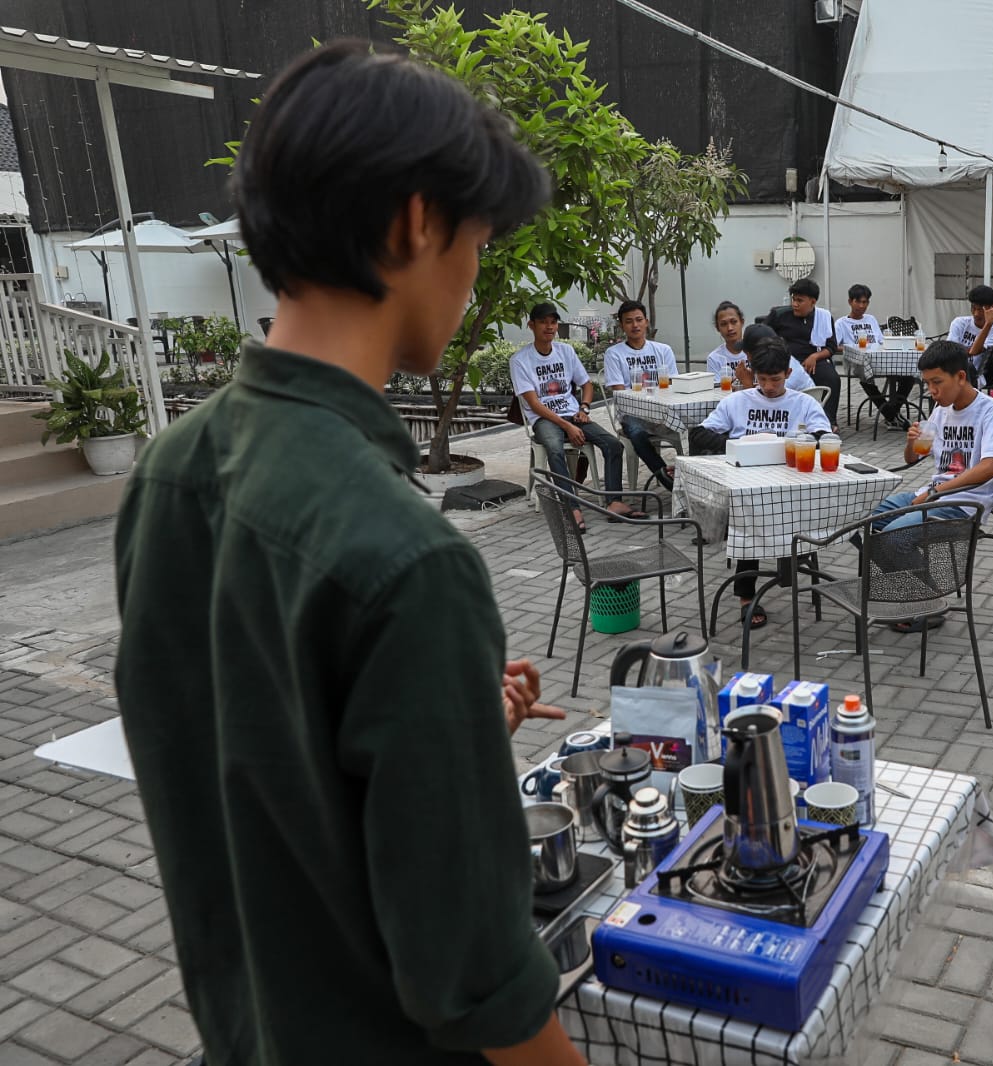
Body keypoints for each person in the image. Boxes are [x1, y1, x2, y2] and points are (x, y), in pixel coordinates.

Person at [113, 42, 588, 1066]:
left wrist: (447, 711)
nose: (474, 275)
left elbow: (252, 756)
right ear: (419, 220)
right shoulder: (411, 560)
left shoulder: (170, 471)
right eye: (479, 239)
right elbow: (474, 977)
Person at [689, 338, 831, 628]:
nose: (768, 386)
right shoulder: (738, 401)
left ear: (788, 375)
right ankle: (746, 596)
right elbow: (698, 435)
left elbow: (824, 438)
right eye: (762, 379)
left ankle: (796, 566)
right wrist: (739, 446)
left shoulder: (803, 402)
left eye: (775, 380)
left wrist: (789, 445)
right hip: (747, 487)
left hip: (791, 486)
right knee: (749, 517)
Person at [512, 302, 639, 529]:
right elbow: (533, 403)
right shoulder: (520, 360)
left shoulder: (566, 351)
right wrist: (566, 426)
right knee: (555, 448)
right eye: (543, 322)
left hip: (573, 414)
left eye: (553, 322)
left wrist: (584, 408)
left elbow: (586, 384)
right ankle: (572, 508)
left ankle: (614, 502)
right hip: (544, 419)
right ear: (531, 325)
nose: (549, 327)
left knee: (613, 444)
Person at [870, 339, 993, 533]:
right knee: (859, 518)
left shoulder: (991, 411)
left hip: (964, 504)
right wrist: (911, 442)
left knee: (892, 535)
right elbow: (913, 457)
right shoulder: (940, 410)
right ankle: (903, 561)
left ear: (961, 377)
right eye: (927, 383)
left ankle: (901, 559)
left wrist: (933, 493)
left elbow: (989, 467)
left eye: (937, 382)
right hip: (932, 494)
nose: (932, 391)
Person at [604, 299, 681, 489]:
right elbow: (619, 392)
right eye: (629, 321)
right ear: (622, 325)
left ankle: (694, 479)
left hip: (663, 412)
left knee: (693, 428)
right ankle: (671, 483)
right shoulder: (614, 354)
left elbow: (673, 385)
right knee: (637, 435)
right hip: (632, 415)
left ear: (646, 321)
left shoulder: (663, 351)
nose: (635, 325)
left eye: (639, 320)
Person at [836, 283, 912, 427]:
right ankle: (891, 415)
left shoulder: (870, 319)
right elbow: (834, 346)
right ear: (850, 302)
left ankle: (891, 412)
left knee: (908, 375)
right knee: (866, 377)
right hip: (857, 362)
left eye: (865, 302)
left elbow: (880, 341)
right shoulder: (841, 323)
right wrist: (851, 348)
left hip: (878, 359)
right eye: (858, 301)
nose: (861, 306)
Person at [766, 277, 841, 423]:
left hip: (815, 360)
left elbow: (831, 347)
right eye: (793, 299)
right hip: (787, 360)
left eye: (800, 301)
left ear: (813, 302)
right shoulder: (780, 316)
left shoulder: (824, 317)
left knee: (832, 378)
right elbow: (764, 334)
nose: (795, 304)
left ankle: (828, 421)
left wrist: (815, 356)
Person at [705, 303, 814, 391]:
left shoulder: (780, 365)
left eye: (749, 353)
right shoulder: (714, 357)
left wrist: (747, 383)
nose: (730, 328)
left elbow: (765, 404)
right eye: (724, 324)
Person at [947, 284, 993, 406]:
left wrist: (988, 324)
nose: (976, 314)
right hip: (957, 369)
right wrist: (987, 325)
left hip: (982, 372)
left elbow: (973, 351)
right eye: (973, 308)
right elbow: (953, 352)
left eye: (981, 310)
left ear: (990, 309)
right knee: (969, 365)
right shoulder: (960, 323)